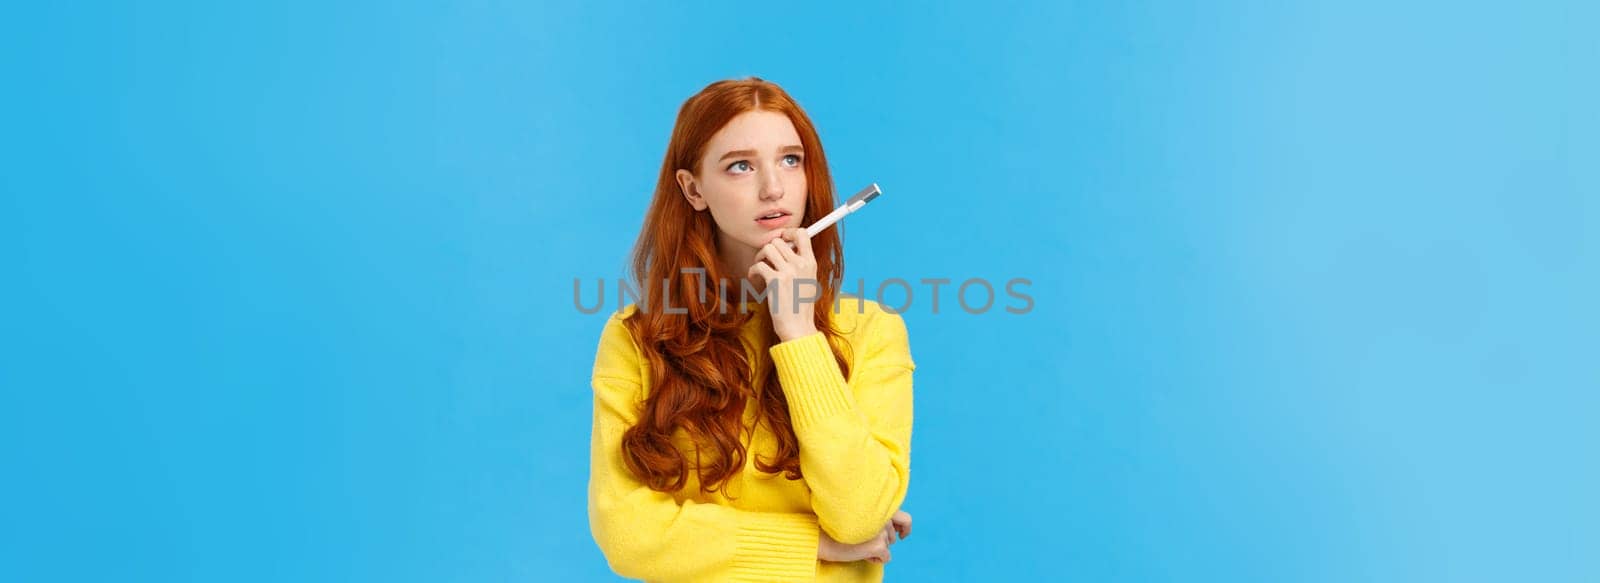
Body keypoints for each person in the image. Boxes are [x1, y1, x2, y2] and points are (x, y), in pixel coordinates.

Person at [587, 77, 915, 582]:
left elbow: (858, 518)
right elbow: (629, 534)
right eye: (741, 165)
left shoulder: (873, 331)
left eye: (790, 160)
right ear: (693, 189)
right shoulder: (638, 338)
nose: (774, 188)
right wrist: (813, 546)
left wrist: (799, 333)